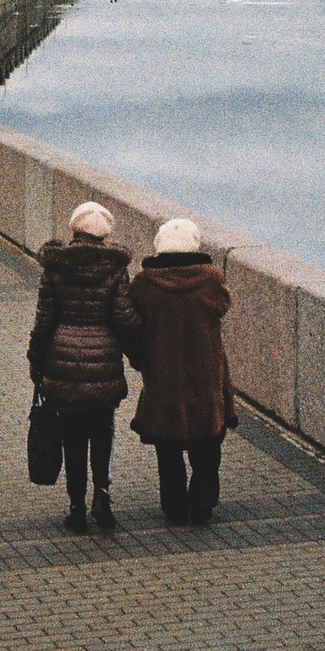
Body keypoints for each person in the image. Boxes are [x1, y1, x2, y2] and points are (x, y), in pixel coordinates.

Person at [28, 201, 138, 534]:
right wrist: (139, 346)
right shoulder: (116, 268)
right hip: (103, 363)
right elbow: (124, 318)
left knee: (73, 438)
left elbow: (44, 320)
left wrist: (36, 358)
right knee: (102, 433)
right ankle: (102, 496)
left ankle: (76, 507)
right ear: (104, 234)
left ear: (74, 229)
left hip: (62, 363)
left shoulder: (55, 266)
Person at [126, 217, 236, 524]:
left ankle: (174, 506)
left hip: (162, 378)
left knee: (168, 449)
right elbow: (223, 305)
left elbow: (133, 324)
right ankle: (202, 502)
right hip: (205, 376)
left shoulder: (144, 283)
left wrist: (141, 360)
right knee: (208, 445)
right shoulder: (210, 278)